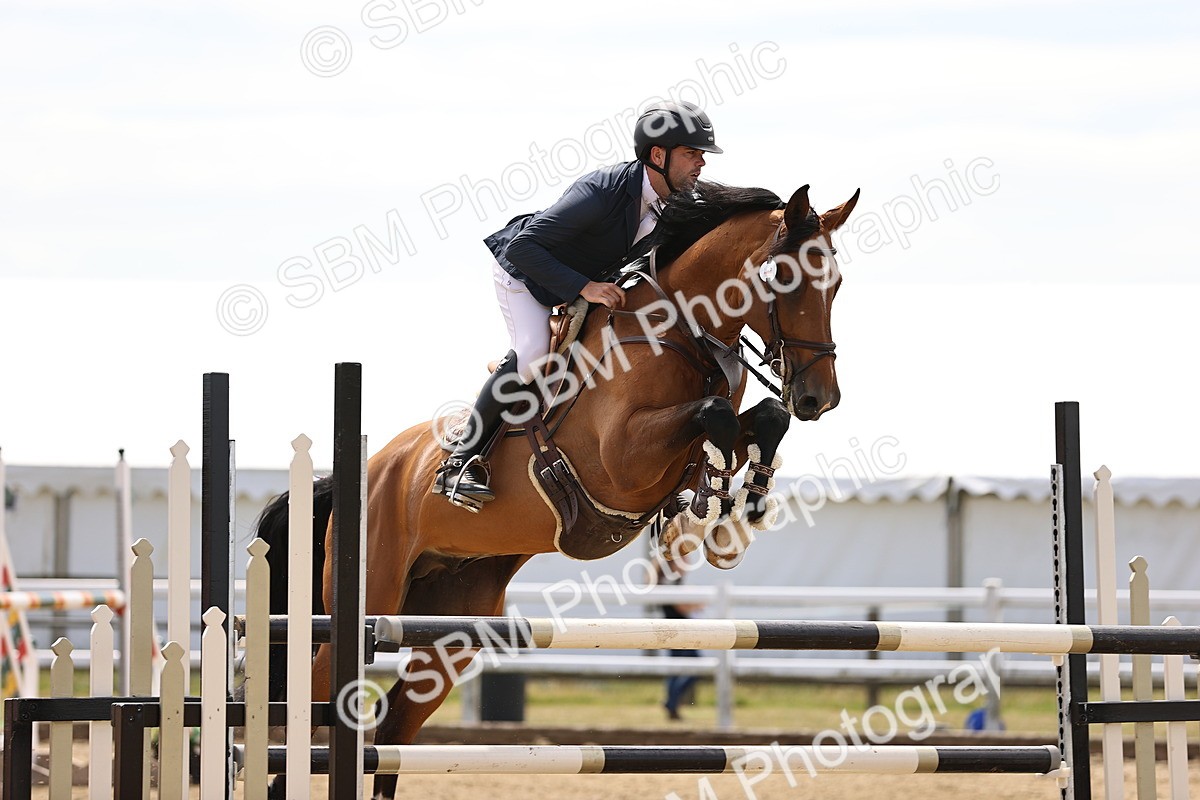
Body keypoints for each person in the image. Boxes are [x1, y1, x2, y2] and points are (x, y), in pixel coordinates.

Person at [433, 101, 723, 508]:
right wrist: (584, 287)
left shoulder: (673, 204)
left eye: (702, 155)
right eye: (692, 153)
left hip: (583, 283)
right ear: (658, 155)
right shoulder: (602, 190)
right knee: (533, 352)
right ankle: (458, 464)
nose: (701, 164)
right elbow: (523, 247)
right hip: (526, 275)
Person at [653, 555, 704, 721]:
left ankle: (672, 704)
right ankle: (671, 703)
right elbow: (684, 606)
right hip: (679, 632)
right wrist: (695, 601)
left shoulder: (670, 581)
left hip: (676, 631)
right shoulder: (670, 582)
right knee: (693, 668)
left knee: (677, 671)